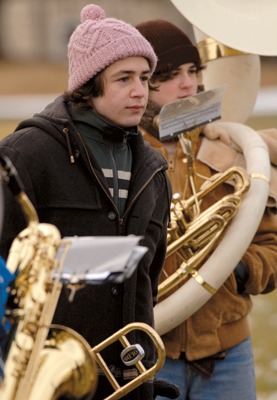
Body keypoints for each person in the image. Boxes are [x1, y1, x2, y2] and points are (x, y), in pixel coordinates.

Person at [0, 6, 178, 400]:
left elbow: (150, 278)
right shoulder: (24, 154)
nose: (140, 91)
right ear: (88, 84)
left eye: (145, 78)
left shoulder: (153, 166)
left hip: (129, 382)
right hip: (43, 382)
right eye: (123, 78)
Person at [136, 19, 277, 400]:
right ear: (139, 83)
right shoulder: (122, 159)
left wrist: (240, 269)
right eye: (167, 75)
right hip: (150, 355)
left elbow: (271, 246)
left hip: (229, 355)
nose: (187, 84)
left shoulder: (230, 148)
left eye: (193, 70)